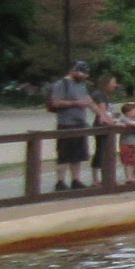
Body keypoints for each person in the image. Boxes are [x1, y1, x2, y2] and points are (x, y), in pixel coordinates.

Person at [46, 60, 95, 190]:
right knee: (64, 155)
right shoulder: (61, 84)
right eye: (81, 73)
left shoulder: (81, 85)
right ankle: (60, 181)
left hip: (80, 123)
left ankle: (76, 179)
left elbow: (89, 101)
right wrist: (76, 103)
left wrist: (101, 114)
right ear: (73, 70)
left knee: (77, 155)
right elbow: (56, 102)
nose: (84, 76)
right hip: (66, 123)